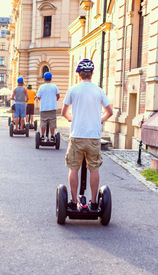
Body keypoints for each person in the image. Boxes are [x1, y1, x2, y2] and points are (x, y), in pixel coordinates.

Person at [61, 59, 113, 211]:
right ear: (92, 74)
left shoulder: (73, 89)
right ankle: (94, 202)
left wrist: (72, 119)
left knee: (73, 168)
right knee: (94, 169)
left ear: (78, 74)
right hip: (93, 137)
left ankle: (73, 201)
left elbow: (64, 112)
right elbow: (109, 112)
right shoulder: (98, 90)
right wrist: (99, 120)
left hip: (77, 135)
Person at [36, 72, 60, 142]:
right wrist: (53, 101)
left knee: (43, 122)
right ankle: (52, 136)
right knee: (52, 122)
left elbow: (38, 97)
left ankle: (43, 136)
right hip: (52, 108)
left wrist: (43, 100)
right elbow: (58, 96)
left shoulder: (41, 87)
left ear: (44, 79)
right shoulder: (54, 86)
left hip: (44, 108)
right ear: (51, 78)